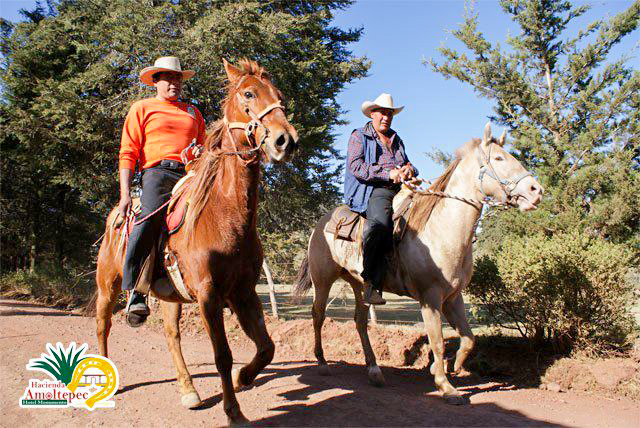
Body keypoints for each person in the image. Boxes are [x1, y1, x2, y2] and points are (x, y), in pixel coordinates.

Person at [118, 56, 206, 326]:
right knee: (149, 220)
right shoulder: (142, 108)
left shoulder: (193, 112)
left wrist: (200, 153)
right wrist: (124, 195)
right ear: (155, 81)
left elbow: (204, 147)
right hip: (157, 173)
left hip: (191, 172)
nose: (174, 83)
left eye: (178, 78)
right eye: (168, 77)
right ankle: (136, 291)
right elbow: (128, 153)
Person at [343, 93, 418, 305]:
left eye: (390, 114)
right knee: (380, 224)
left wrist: (408, 169)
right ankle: (371, 284)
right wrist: (388, 174)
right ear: (372, 113)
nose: (386, 117)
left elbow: (410, 163)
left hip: (402, 187)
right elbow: (356, 167)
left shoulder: (396, 138)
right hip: (377, 189)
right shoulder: (359, 135)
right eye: (382, 113)